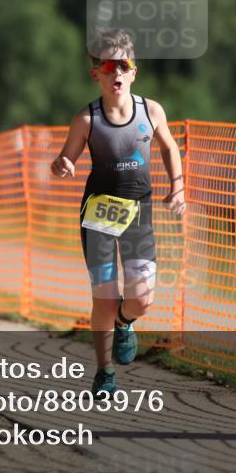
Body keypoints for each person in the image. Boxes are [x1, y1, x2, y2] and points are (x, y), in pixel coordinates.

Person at [51, 29, 185, 396]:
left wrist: (178, 186)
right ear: (96, 74)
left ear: (134, 71)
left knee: (141, 298)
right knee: (106, 297)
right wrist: (62, 164)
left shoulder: (151, 110)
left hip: (138, 213)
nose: (116, 73)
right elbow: (63, 159)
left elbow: (170, 148)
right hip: (98, 215)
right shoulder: (87, 119)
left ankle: (126, 323)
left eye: (123, 65)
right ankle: (105, 371)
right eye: (108, 67)